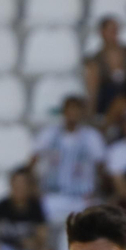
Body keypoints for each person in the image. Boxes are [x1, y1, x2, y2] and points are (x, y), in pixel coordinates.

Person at [31, 96, 105, 224]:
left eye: (76, 110)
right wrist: (35, 188)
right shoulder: (49, 134)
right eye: (70, 109)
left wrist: (96, 190)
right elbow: (33, 161)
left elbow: (101, 168)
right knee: (38, 211)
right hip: (54, 195)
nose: (73, 113)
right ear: (64, 112)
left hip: (82, 197)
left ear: (82, 113)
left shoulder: (92, 137)